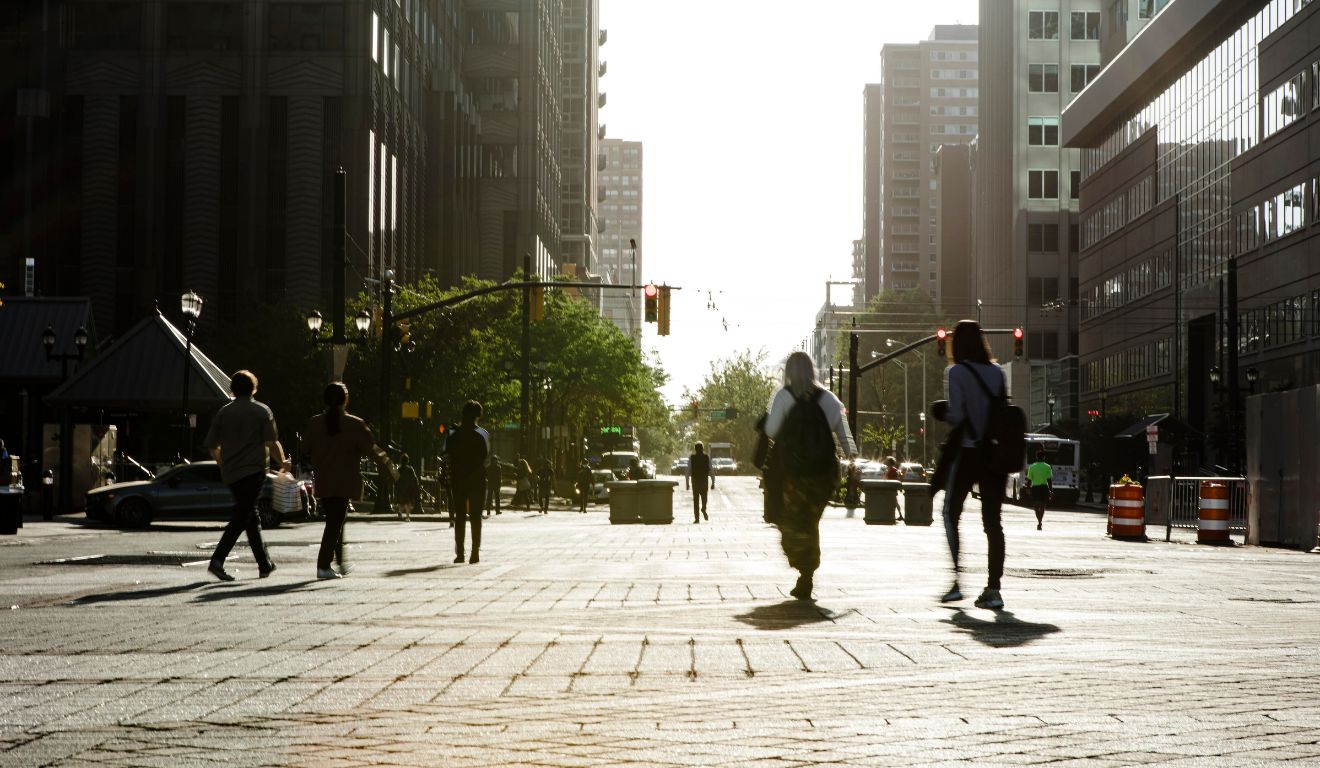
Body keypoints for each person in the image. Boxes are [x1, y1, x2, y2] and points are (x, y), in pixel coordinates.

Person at [764, 351, 857, 601]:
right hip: (824, 475)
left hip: (793, 475)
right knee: (810, 522)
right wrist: (852, 461)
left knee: (791, 522)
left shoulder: (784, 396)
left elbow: (771, 431)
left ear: (789, 372)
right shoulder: (829, 398)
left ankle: (804, 570)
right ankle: (807, 574)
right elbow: (845, 436)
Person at [931, 319, 1009, 610]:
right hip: (993, 454)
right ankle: (994, 588)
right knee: (993, 523)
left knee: (951, 514)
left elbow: (957, 415)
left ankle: (956, 580)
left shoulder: (956, 372)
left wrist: (941, 412)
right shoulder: (997, 373)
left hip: (967, 453)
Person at [301, 382, 394, 579]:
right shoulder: (354, 424)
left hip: (324, 479)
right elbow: (372, 448)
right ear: (345, 400)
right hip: (345, 480)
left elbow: (305, 447)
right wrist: (388, 466)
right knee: (335, 522)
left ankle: (338, 562)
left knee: (335, 520)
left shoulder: (314, 423)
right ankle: (323, 565)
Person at [203, 370, 288, 581]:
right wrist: (283, 462)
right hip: (254, 469)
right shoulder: (261, 411)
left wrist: (222, 462)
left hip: (231, 472)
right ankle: (217, 560)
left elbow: (212, 445)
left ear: (232, 388)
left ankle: (264, 564)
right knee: (243, 516)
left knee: (250, 516)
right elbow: (271, 442)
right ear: (254, 388)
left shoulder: (223, 412)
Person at [446, 401, 490, 564]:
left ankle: (460, 553)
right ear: (478, 416)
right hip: (477, 478)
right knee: (475, 516)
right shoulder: (482, 434)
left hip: (459, 477)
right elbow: (485, 455)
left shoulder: (453, 434)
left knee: (459, 516)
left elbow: (447, 452)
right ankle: (475, 552)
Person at [686, 442, 713, 523]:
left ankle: (697, 518)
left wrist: (687, 483)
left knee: (696, 500)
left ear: (695, 449)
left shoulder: (692, 458)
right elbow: (711, 470)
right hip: (704, 481)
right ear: (702, 448)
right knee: (704, 498)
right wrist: (713, 482)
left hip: (695, 481)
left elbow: (688, 471)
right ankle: (703, 508)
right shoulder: (706, 457)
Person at [1027, 449, 1054, 530]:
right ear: (1044, 457)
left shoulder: (1032, 467)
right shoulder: (1048, 467)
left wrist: (1028, 488)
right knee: (1042, 506)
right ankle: (1040, 521)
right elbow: (1049, 480)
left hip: (1035, 488)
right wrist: (1051, 490)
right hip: (1044, 488)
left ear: (1036, 457)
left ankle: (1039, 520)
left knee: (1036, 506)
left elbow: (1029, 480)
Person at [394, 453, 421, 521]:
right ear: (407, 461)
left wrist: (396, 487)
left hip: (401, 487)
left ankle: (400, 511)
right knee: (408, 503)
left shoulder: (399, 469)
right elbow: (414, 478)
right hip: (409, 488)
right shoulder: (410, 469)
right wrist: (416, 485)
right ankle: (407, 517)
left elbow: (396, 479)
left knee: (401, 502)